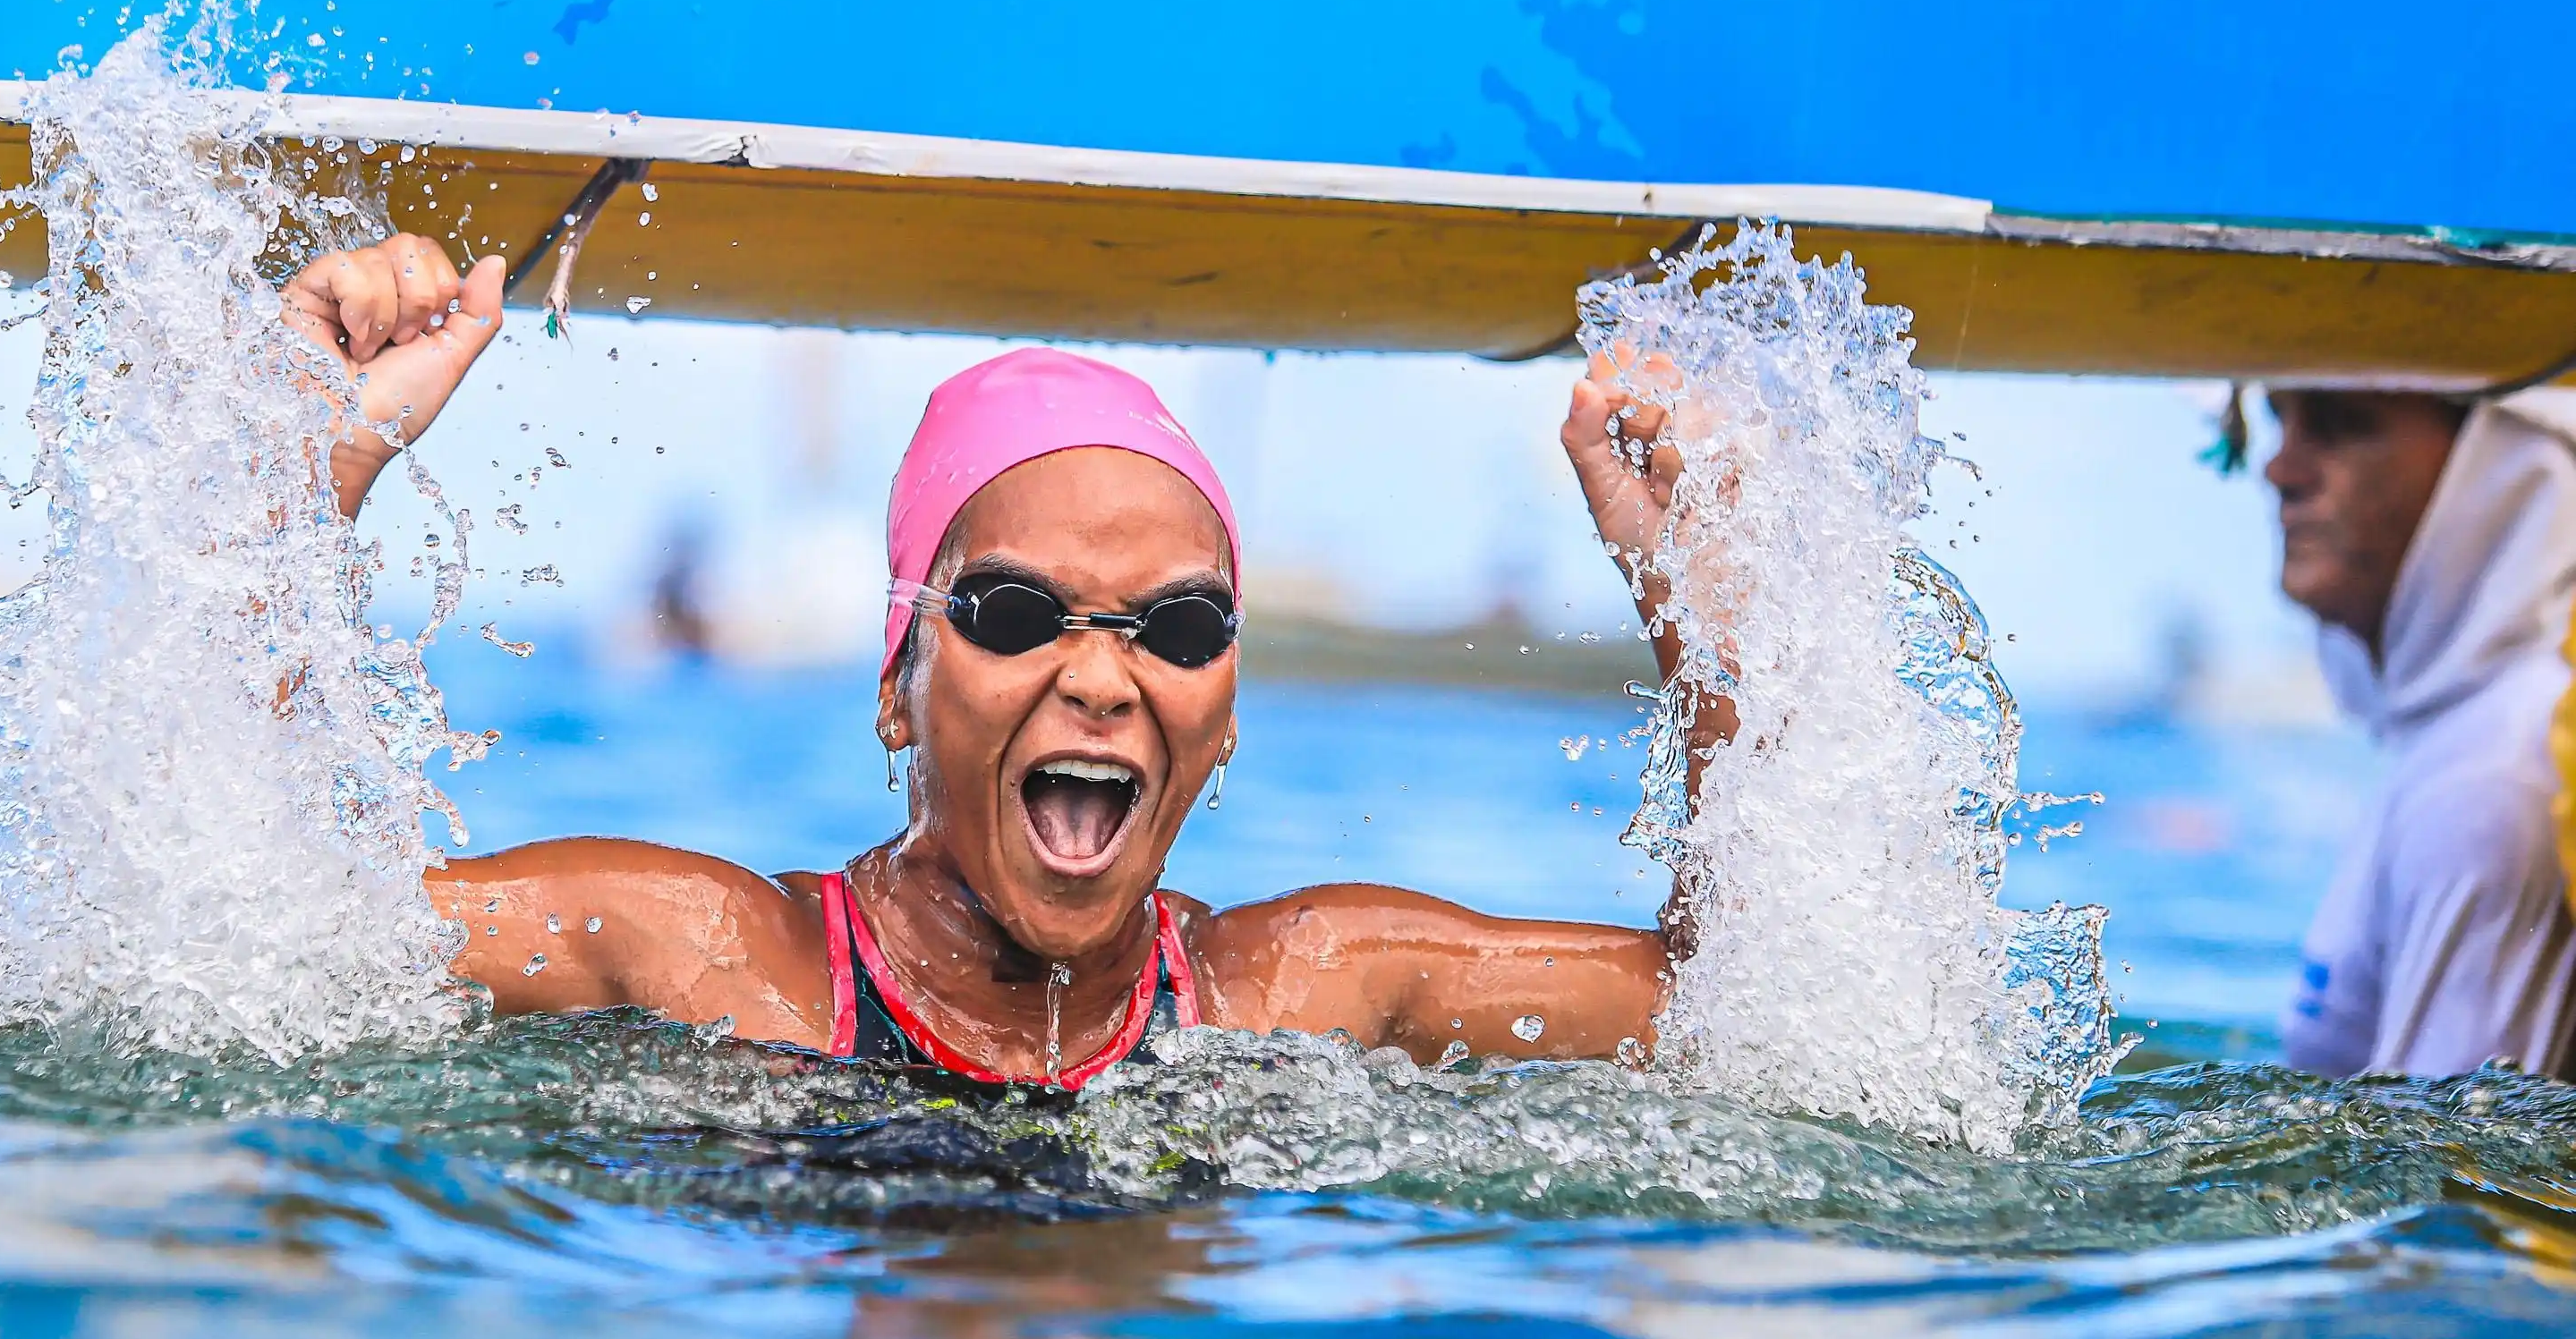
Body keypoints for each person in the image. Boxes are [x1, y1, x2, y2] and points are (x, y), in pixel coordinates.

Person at [282, 233, 1716, 1085]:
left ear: (1221, 721)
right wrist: (304, 475)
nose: (1101, 679)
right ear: (895, 685)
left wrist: (1715, 626)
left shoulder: (1309, 990)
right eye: (1018, 614)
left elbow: (1756, 1018)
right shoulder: (706, 962)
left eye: (1177, 628)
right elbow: (254, 940)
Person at [2262, 384, 2576, 1078]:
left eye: (2342, 422)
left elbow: (2462, 1179)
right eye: (2275, 419)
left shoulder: (2491, 774)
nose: (2280, 470)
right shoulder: (2461, 739)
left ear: (2493, 465)